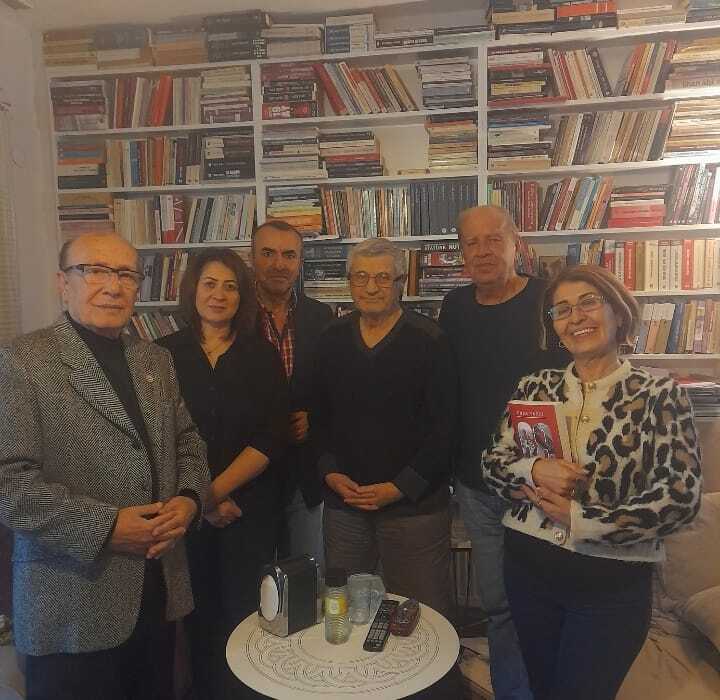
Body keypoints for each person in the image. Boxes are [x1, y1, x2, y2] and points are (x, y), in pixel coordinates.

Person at [0, 233, 210, 700]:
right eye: (94, 270)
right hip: (72, 604)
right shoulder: (22, 361)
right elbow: (9, 486)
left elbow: (189, 443)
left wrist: (190, 501)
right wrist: (108, 527)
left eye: (126, 274)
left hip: (156, 591)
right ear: (63, 283)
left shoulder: (156, 360)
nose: (113, 286)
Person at [482, 264, 702, 700]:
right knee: (542, 688)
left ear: (618, 312)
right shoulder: (536, 386)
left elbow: (680, 499)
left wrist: (583, 519)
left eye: (588, 302)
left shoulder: (659, 394)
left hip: (610, 583)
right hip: (528, 571)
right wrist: (534, 469)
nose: (575, 317)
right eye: (561, 310)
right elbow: (492, 465)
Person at [438, 204, 568, 700]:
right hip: (477, 485)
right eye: (472, 243)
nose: (483, 251)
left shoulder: (548, 300)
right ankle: (514, 692)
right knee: (498, 604)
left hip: (540, 484)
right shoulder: (454, 307)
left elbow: (575, 383)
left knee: (548, 598)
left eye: (494, 239)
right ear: (462, 253)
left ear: (517, 244)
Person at [157, 249, 288, 700]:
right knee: (196, 617)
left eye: (230, 286)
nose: (219, 294)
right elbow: (158, 439)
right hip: (183, 511)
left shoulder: (262, 355)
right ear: (192, 289)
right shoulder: (160, 355)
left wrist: (209, 495)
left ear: (242, 296)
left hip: (249, 509)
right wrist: (200, 503)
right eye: (210, 284)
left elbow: (271, 438)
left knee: (247, 615)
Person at [313, 237, 455, 616]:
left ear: (400, 283)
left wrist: (400, 487)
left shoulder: (430, 340)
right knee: (343, 612)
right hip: (345, 505)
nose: (371, 287)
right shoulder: (330, 339)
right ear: (349, 282)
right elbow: (318, 417)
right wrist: (329, 473)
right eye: (360, 277)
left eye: (382, 278)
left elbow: (446, 429)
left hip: (414, 509)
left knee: (421, 617)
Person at [251, 220, 333, 568]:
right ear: (252, 258)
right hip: (249, 473)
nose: (279, 264)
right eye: (268, 253)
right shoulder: (234, 314)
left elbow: (332, 388)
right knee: (253, 580)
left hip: (304, 470)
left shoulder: (320, 316)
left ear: (300, 262)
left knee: (307, 576)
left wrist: (314, 417)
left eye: (289, 255)